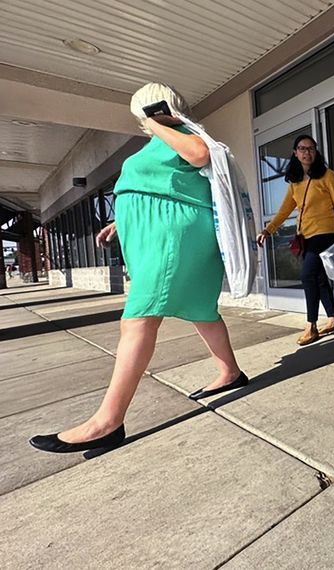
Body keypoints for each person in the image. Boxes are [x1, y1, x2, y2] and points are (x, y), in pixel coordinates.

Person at [30, 83, 247, 454]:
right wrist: (121, 222)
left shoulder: (180, 133)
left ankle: (107, 422)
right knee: (201, 309)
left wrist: (160, 121)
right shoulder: (160, 142)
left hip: (173, 237)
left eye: (143, 112)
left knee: (139, 317)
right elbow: (156, 186)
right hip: (159, 234)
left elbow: (199, 156)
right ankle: (230, 372)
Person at [257, 135, 334, 346]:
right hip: (305, 235)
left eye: (311, 149)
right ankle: (333, 319)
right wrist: (268, 230)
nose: (307, 152)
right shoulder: (295, 183)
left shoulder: (327, 175)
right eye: (302, 148)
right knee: (319, 278)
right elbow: (284, 210)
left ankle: (311, 325)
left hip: (324, 232)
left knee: (307, 275)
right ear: (295, 153)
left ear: (316, 153)